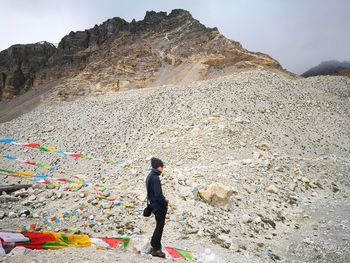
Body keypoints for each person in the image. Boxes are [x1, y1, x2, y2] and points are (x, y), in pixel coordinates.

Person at [146, 157, 168, 258]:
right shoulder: (155, 178)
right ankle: (156, 248)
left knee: (158, 226)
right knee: (160, 226)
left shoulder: (149, 176)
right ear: (158, 167)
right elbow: (158, 195)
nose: (162, 169)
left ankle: (154, 245)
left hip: (153, 205)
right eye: (162, 166)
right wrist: (165, 201)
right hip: (158, 206)